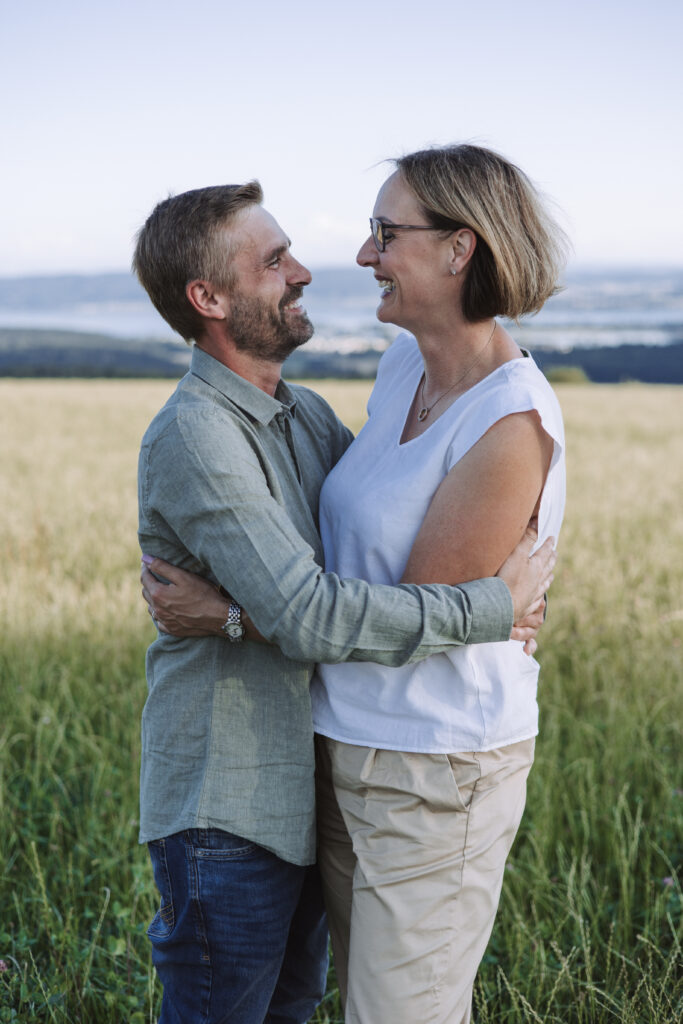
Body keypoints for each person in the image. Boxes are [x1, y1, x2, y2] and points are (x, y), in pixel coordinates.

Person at [143, 144, 567, 1024]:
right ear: (209, 300)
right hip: (300, 766)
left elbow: (399, 609)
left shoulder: (492, 416)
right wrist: (489, 608)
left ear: (460, 249)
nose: (346, 258)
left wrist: (228, 614)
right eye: (274, 260)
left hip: (427, 763)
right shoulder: (390, 373)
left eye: (384, 231)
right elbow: (347, 594)